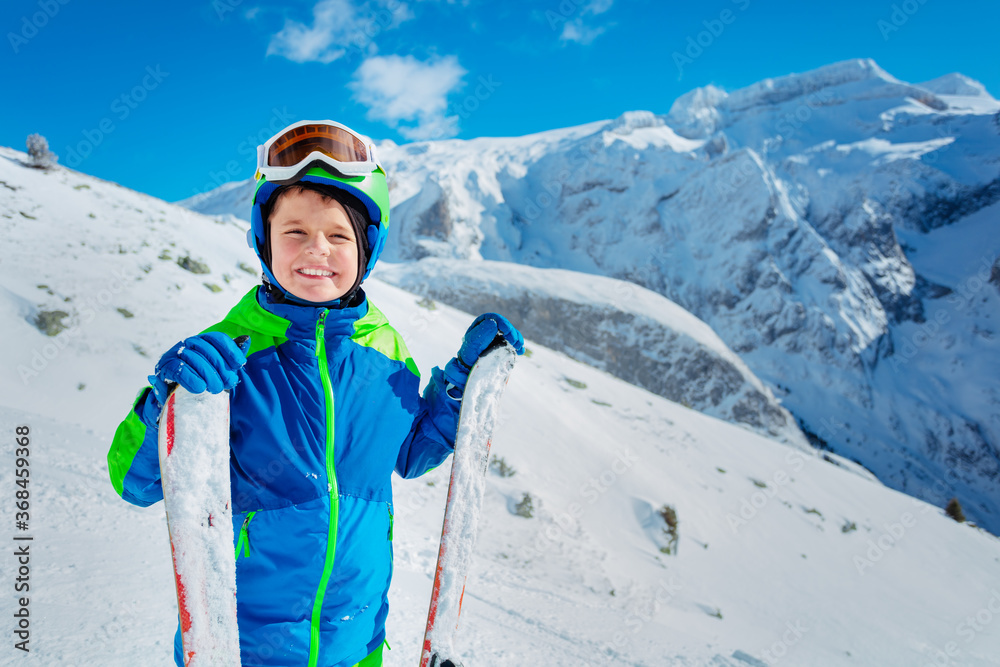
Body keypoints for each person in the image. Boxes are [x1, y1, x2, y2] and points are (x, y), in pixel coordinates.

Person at [107, 119, 524, 667]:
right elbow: (135, 483)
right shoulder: (231, 356)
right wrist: (167, 401)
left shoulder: (385, 351)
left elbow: (412, 452)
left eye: (337, 235)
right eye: (295, 232)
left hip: (355, 644)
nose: (316, 250)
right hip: (242, 647)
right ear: (265, 241)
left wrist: (460, 385)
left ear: (366, 249)